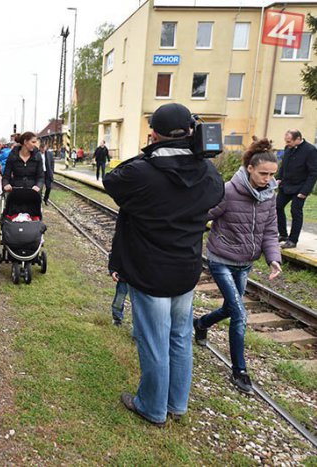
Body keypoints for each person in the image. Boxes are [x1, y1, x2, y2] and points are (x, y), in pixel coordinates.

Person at [103, 103, 224, 426]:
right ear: (192, 132)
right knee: (180, 338)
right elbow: (216, 195)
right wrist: (189, 152)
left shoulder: (142, 172)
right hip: (185, 270)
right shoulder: (208, 173)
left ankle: (152, 407)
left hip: (149, 271)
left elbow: (111, 180)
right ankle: (176, 403)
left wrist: (151, 152)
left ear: (153, 134)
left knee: (154, 341)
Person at [194, 139, 282, 394]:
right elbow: (204, 214)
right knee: (240, 314)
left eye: (272, 174)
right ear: (250, 169)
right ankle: (239, 371)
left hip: (245, 264)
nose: (268, 179)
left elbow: (270, 231)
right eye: (264, 173)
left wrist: (273, 258)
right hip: (220, 259)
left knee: (229, 309)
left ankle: (201, 324)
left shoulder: (269, 197)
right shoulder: (229, 191)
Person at [275, 129, 317, 249]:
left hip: (300, 188)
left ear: (298, 139)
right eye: (286, 141)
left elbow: (313, 173)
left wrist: (305, 191)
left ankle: (293, 240)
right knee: (277, 207)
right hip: (286, 185)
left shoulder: (310, 150)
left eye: (289, 141)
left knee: (295, 211)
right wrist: (279, 178)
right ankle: (283, 234)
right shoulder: (288, 148)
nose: (287, 144)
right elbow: (284, 165)